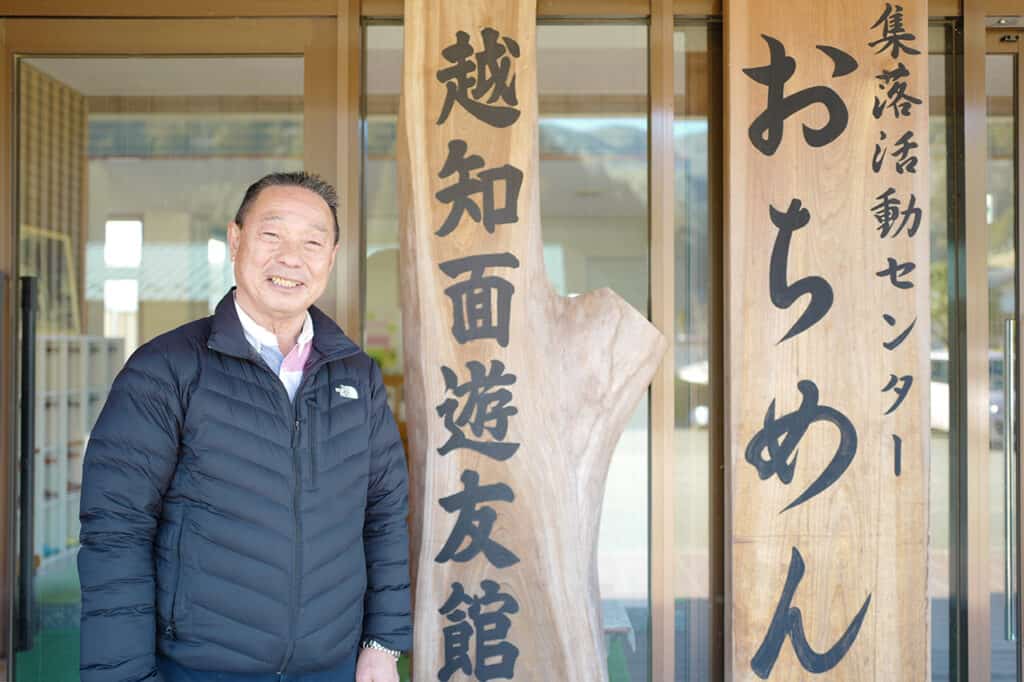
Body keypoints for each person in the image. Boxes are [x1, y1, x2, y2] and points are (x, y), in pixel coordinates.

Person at [77, 172, 411, 682]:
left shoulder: (356, 377)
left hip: (332, 667)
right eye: (272, 235)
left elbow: (383, 516)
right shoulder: (166, 369)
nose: (291, 258)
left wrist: (382, 644)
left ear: (331, 257)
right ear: (236, 241)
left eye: (312, 243)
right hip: (198, 668)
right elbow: (116, 529)